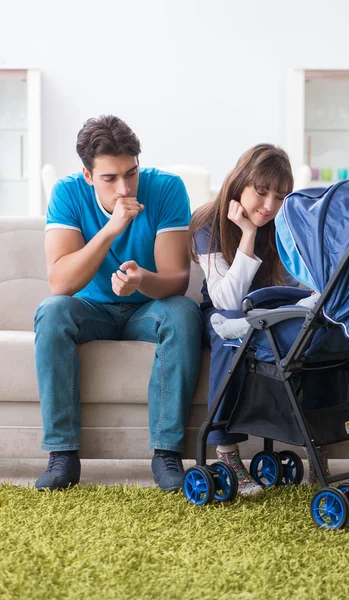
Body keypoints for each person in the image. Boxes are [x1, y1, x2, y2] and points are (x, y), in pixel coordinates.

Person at [34, 115, 203, 492]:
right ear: (88, 175)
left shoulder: (166, 188)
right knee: (51, 312)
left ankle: (166, 451)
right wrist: (112, 228)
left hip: (148, 307)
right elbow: (60, 282)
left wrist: (143, 279)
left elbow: (177, 278)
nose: (125, 188)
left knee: (184, 313)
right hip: (91, 309)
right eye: (110, 178)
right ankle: (62, 454)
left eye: (131, 173)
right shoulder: (67, 192)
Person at [189, 144, 328, 492]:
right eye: (261, 192)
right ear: (240, 184)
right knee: (232, 325)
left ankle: (318, 444)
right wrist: (248, 235)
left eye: (280, 196)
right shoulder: (208, 224)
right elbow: (227, 299)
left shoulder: (284, 225)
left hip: (269, 312)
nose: (269, 206)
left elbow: (299, 282)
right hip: (221, 316)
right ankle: (227, 451)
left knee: (315, 330)